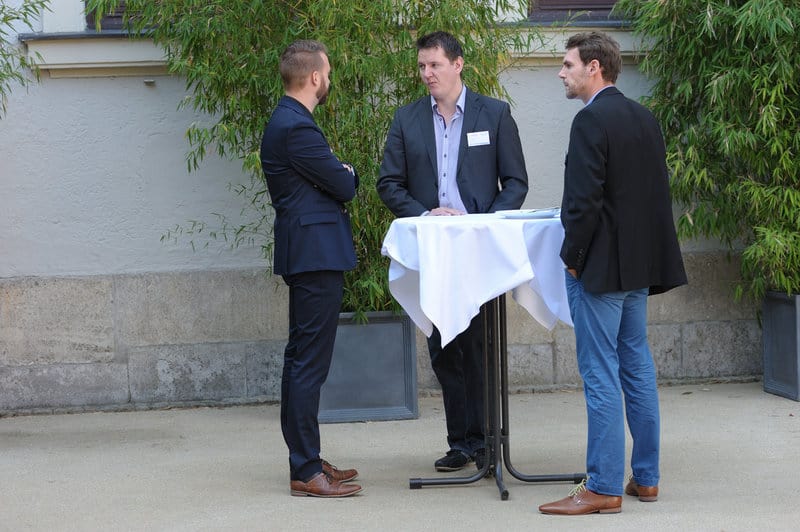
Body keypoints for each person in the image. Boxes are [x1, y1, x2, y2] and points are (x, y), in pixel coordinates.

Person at [538, 32, 687, 515]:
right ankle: (647, 478)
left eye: (567, 64)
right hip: (636, 268)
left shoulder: (590, 120)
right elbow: (652, 196)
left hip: (600, 270)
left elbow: (583, 202)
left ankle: (603, 486)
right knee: (637, 368)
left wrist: (572, 258)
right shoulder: (644, 117)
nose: (561, 73)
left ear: (594, 67)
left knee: (601, 373)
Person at [377, 31, 529, 474]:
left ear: (458, 64)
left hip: (478, 249)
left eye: (435, 65)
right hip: (433, 250)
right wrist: (426, 214)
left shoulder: (494, 114)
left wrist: (484, 225)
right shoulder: (407, 119)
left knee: (479, 345)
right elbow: (389, 183)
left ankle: (486, 441)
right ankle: (460, 443)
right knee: (443, 346)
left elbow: (515, 183)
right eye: (422, 66)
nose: (427, 74)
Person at [260, 39, 362, 498]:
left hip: (309, 252)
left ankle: (306, 459)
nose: (330, 79)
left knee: (301, 360)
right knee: (308, 365)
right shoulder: (297, 127)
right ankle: (305, 468)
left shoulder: (289, 121)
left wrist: (337, 172)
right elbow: (343, 183)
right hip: (314, 254)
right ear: (316, 77)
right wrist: (346, 171)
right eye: (329, 72)